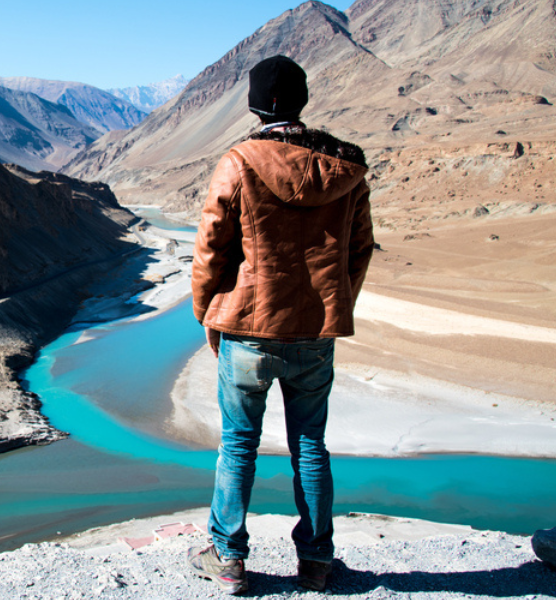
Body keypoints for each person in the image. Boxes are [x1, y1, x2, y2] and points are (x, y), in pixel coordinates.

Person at [186, 55, 375, 594]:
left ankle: (228, 557)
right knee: (311, 444)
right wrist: (333, 304)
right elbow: (359, 250)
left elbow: (209, 249)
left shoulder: (240, 161)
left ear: (253, 104)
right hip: (314, 334)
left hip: (247, 329)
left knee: (239, 444)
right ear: (301, 101)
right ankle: (316, 561)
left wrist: (208, 313)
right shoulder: (345, 170)